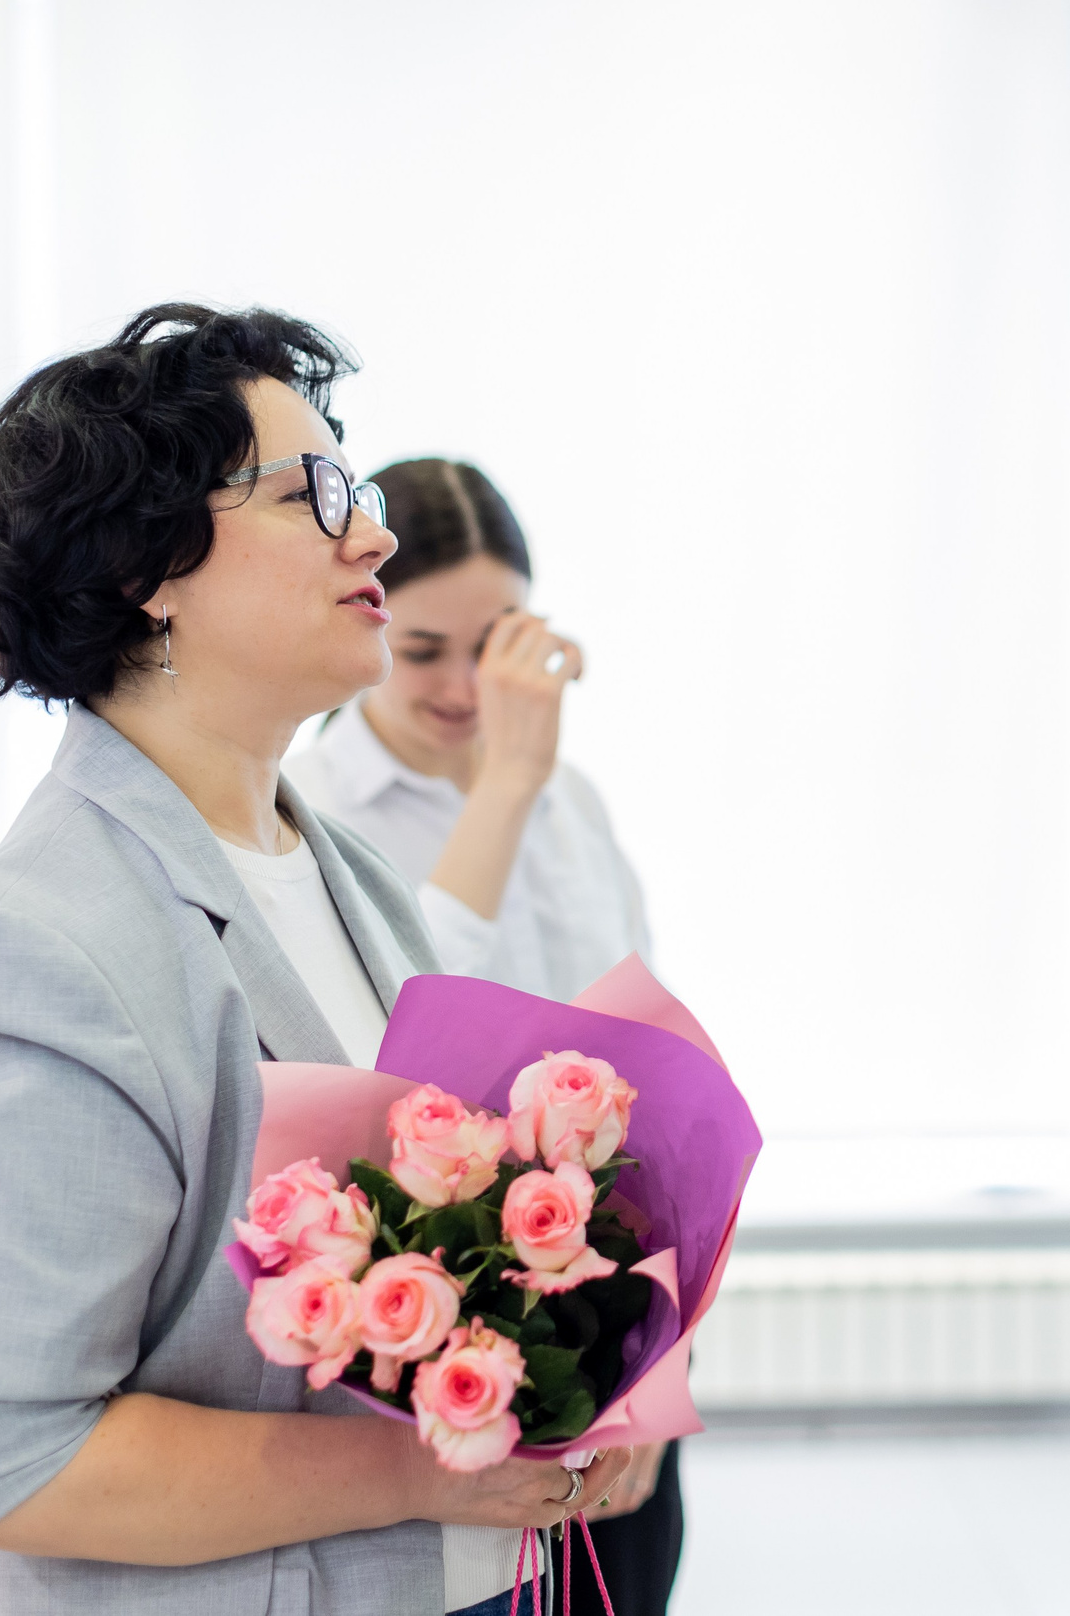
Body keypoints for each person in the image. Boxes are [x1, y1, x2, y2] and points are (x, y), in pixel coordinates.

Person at [0, 305, 630, 1616]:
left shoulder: (346, 875)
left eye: (360, 488)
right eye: (312, 493)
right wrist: (417, 1467)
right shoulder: (28, 949)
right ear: (146, 561)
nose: (373, 531)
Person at [287, 457, 681, 1612]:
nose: (464, 685)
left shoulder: (574, 805)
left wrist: (655, 1372)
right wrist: (502, 785)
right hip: (434, 1343)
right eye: (423, 651)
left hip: (612, 1312)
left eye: (494, 643)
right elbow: (410, 1056)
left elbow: (652, 1077)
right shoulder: (314, 810)